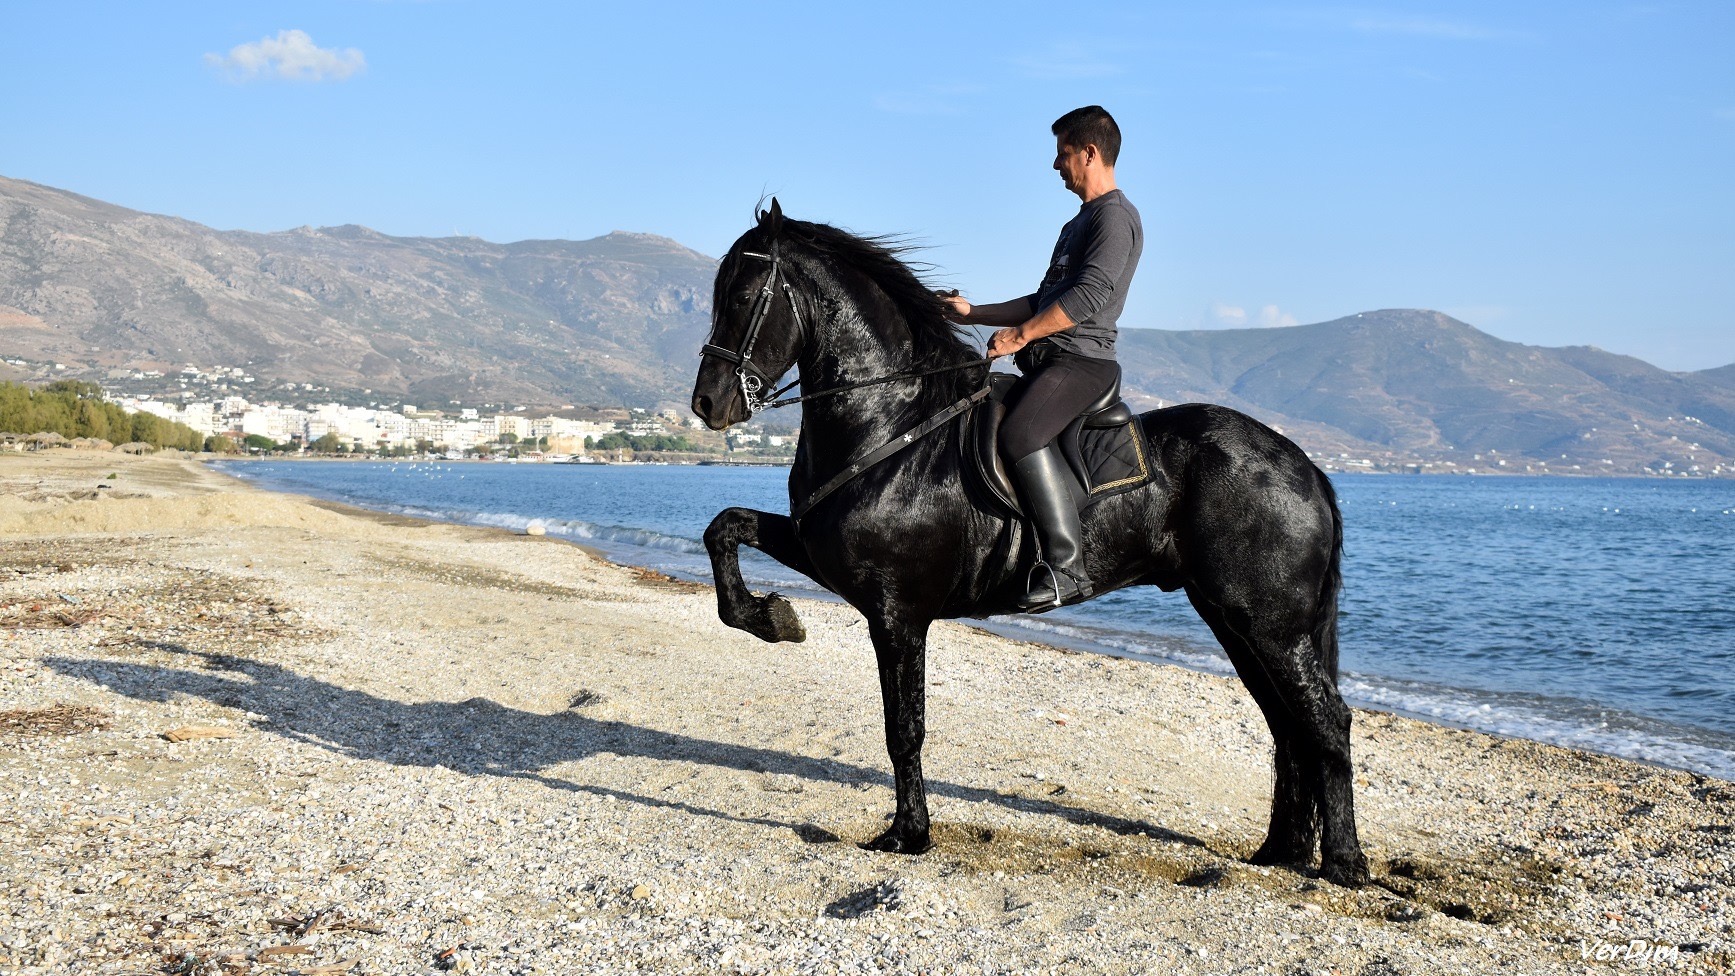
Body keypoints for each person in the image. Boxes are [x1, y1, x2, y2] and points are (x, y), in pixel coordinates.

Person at [945, 105, 1143, 611]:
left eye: (1063, 154)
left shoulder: (1115, 218)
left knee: (1020, 433)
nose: (1056, 165)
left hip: (1083, 363)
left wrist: (1020, 336)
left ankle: (1066, 568)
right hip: (1051, 362)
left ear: (1090, 153)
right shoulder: (1077, 223)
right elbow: (1043, 299)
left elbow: (1088, 296)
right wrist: (974, 313)